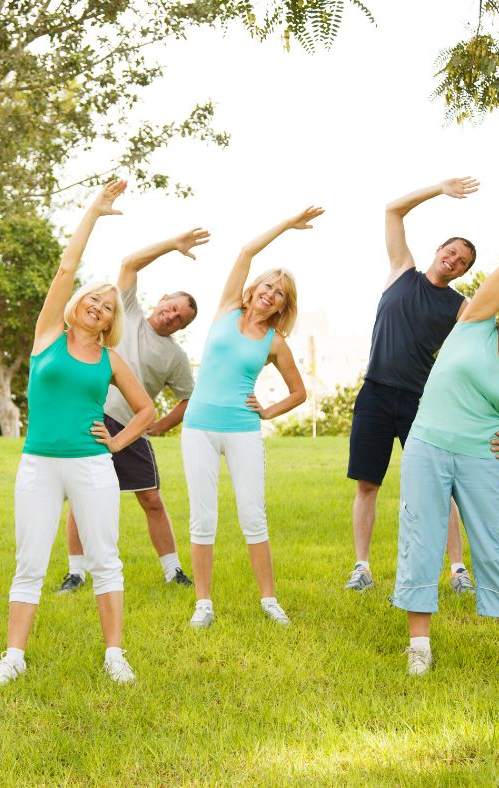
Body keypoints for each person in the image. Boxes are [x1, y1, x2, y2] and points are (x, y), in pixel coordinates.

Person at [0, 180, 154, 688]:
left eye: (108, 306)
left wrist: (119, 443)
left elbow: (145, 410)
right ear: (77, 304)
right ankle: (13, 657)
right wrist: (94, 213)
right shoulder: (46, 338)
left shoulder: (110, 358)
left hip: (91, 465)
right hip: (38, 464)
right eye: (93, 299)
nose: (99, 305)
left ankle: (114, 655)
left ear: (108, 324)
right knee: (30, 561)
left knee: (105, 558)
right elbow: (65, 266)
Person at [393, 250, 499, 678]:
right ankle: (419, 647)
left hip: (481, 460)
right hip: (428, 446)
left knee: (495, 546)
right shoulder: (472, 326)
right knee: (422, 538)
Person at [181, 207, 321, 630]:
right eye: (267, 285)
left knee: (252, 515)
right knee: (203, 516)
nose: (270, 294)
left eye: (279, 293)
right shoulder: (226, 309)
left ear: (283, 305)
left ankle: (269, 600)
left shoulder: (276, 342)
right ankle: (203, 604)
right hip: (199, 428)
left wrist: (268, 410)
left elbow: (299, 392)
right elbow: (245, 250)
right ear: (254, 288)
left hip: (242, 430)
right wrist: (288, 224)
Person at [345, 177, 480, 594]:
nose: (454, 260)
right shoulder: (402, 270)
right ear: (438, 250)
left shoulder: (460, 306)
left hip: (422, 401)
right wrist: (440, 189)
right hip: (375, 393)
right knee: (368, 483)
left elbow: (478, 347)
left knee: (440, 484)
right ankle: (362, 568)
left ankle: (458, 571)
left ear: (464, 271)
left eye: (462, 260)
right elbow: (393, 210)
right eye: (451, 251)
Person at [57, 227, 206, 594]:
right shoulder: (129, 313)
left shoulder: (175, 357)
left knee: (151, 498)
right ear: (163, 299)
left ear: (183, 327)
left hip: (131, 427)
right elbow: (130, 263)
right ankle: (76, 572)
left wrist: (161, 426)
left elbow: (188, 398)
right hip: (92, 419)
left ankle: (173, 571)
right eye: (172, 307)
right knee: (80, 496)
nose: (172, 316)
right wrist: (172, 244)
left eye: (180, 319)